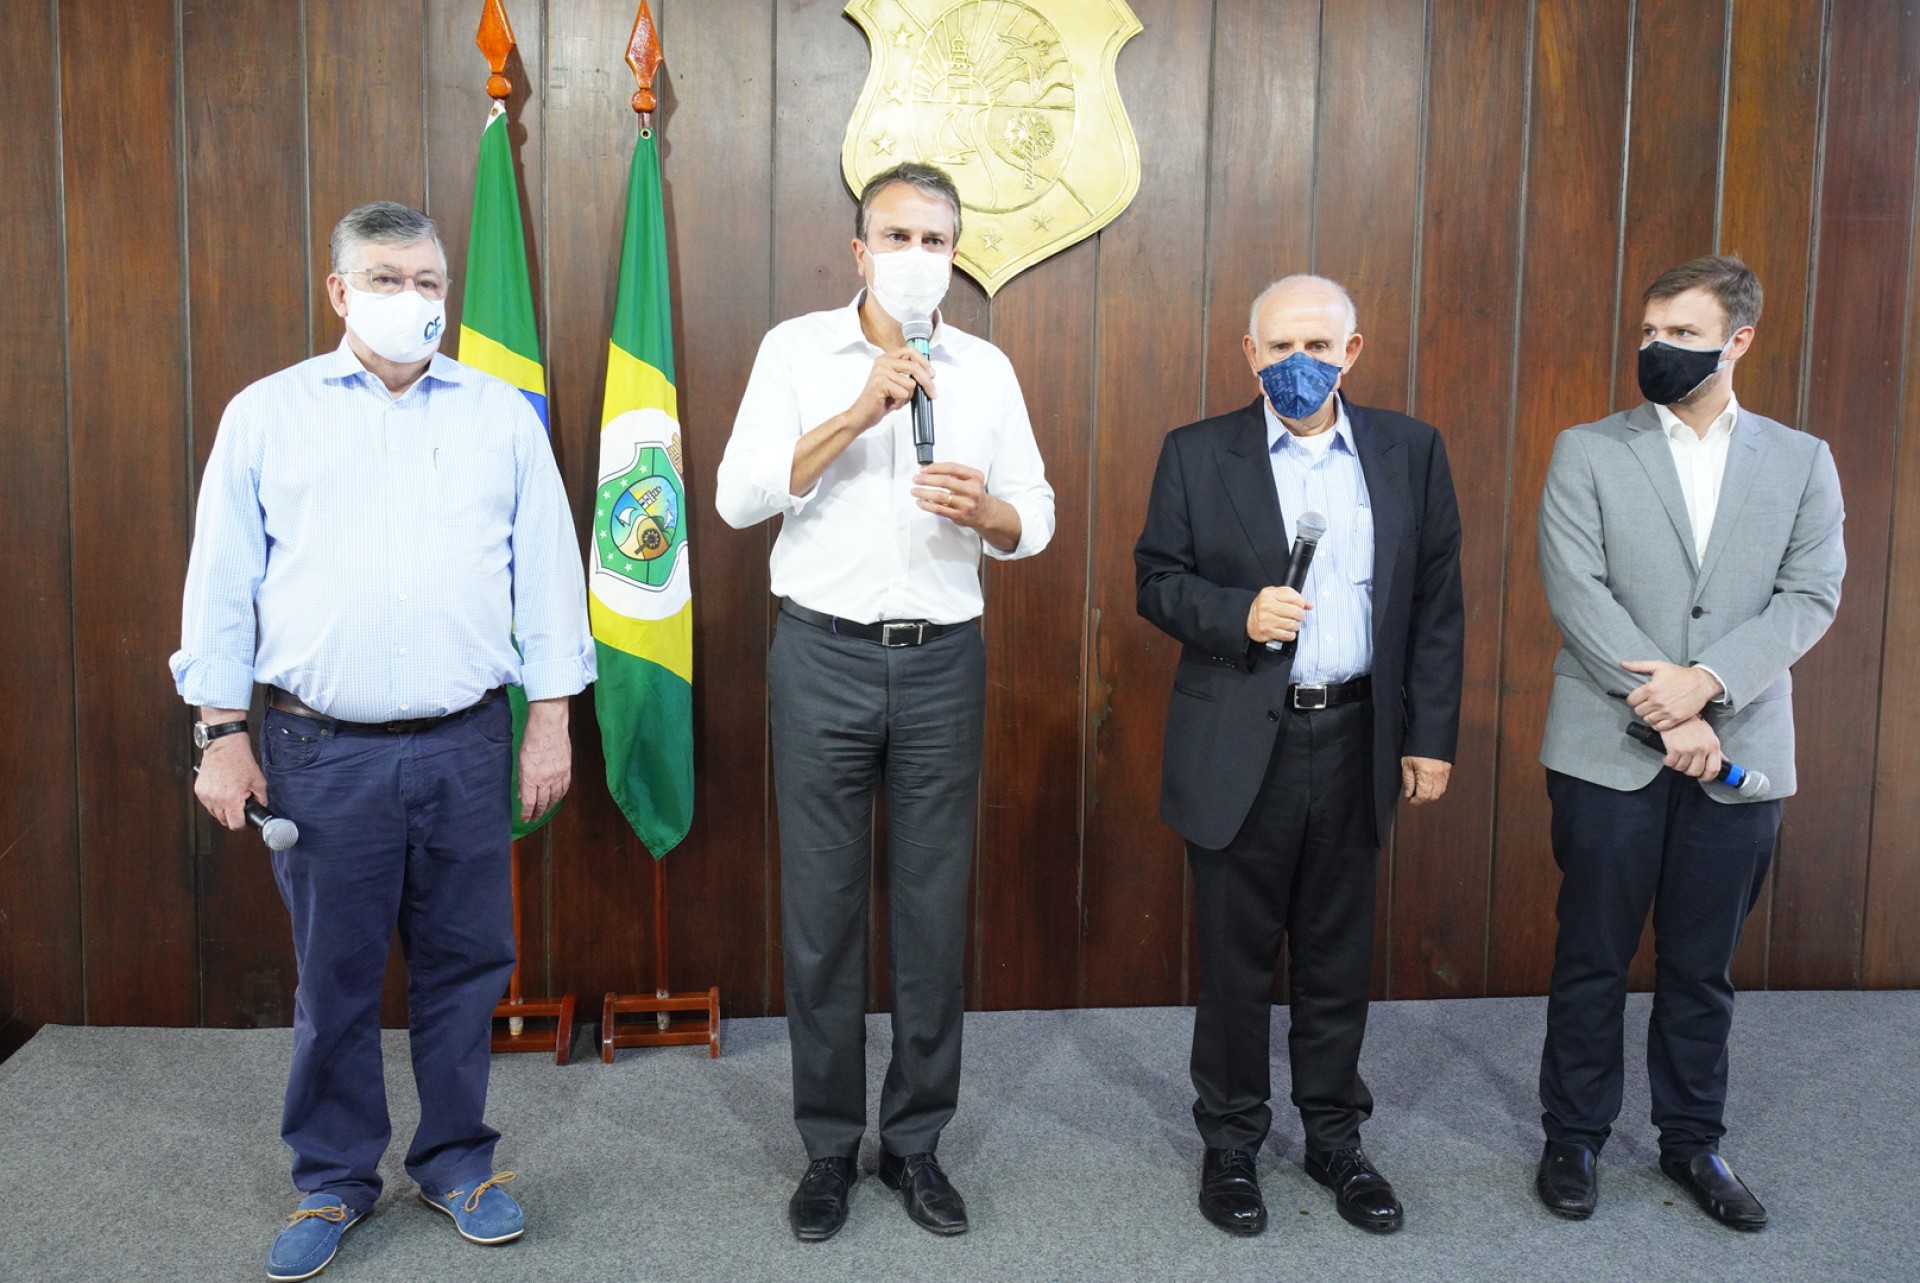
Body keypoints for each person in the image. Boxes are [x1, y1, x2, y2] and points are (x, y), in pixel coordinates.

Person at [171, 201, 594, 1281]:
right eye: (391, 279)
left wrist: (549, 719)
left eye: (430, 281)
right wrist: (220, 731)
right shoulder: (268, 415)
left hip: (465, 743)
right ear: (340, 293)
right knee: (338, 976)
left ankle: (457, 1160)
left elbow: (546, 574)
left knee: (466, 967)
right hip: (321, 751)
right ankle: (334, 1175)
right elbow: (221, 584)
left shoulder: (501, 415)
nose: (418, 300)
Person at [715, 162, 1054, 1242]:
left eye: (937, 240)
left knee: (930, 910)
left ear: (956, 256)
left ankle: (915, 1141)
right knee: (820, 918)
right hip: (820, 655)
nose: (918, 257)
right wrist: (861, 407)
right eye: (897, 236)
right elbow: (734, 497)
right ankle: (827, 1146)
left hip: (944, 659)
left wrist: (990, 509)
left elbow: (1036, 514)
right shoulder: (794, 352)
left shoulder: (988, 370)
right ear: (859, 252)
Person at [1134, 275, 1464, 1238]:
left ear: (1353, 350)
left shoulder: (1410, 450)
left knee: (1335, 956)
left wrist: (1429, 736)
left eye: (1316, 344)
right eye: (1277, 347)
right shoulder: (1197, 453)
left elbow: (1438, 604)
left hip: (1358, 735)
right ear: (1249, 354)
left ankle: (1335, 1139)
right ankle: (1232, 1143)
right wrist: (1233, 613)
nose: (1296, 363)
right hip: (1239, 744)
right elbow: (1156, 581)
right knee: (1236, 961)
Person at [1532, 256, 1844, 1230]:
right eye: (1649, 329)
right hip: (1607, 745)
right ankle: (1573, 1135)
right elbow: (1577, 589)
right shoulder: (1587, 449)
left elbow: (1811, 594)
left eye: (1681, 332)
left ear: (1738, 340)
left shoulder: (1802, 460)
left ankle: (1692, 1139)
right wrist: (1667, 702)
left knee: (1702, 965)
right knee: (1592, 953)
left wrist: (1707, 685)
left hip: (1741, 749)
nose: (1655, 347)